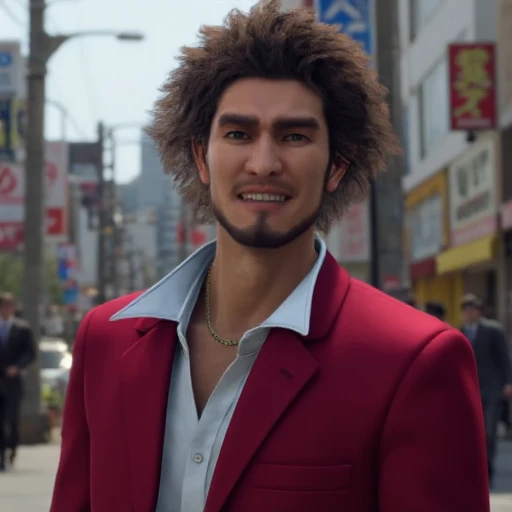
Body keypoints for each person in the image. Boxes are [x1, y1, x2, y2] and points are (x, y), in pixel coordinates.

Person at [50, 2, 488, 511]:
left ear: (336, 166)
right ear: (202, 157)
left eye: (294, 136)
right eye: (238, 134)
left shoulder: (414, 361)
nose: (263, 163)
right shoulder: (106, 340)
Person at [460, 293, 512, 486]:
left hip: (492, 390)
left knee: (489, 432)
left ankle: (488, 469)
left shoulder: (493, 331)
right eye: (466, 311)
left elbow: (504, 358)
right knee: (472, 433)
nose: (469, 314)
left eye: (472, 311)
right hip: (469, 391)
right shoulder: (460, 332)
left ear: (478, 312)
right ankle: (475, 469)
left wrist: (508, 382)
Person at [0, 292, 35, 470]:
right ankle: (1, 457)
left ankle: (12, 449)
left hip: (13, 381)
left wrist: (17, 367)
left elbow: (30, 353)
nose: (6, 310)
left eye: (9, 306)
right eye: (3, 306)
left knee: (12, 419)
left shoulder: (22, 329)